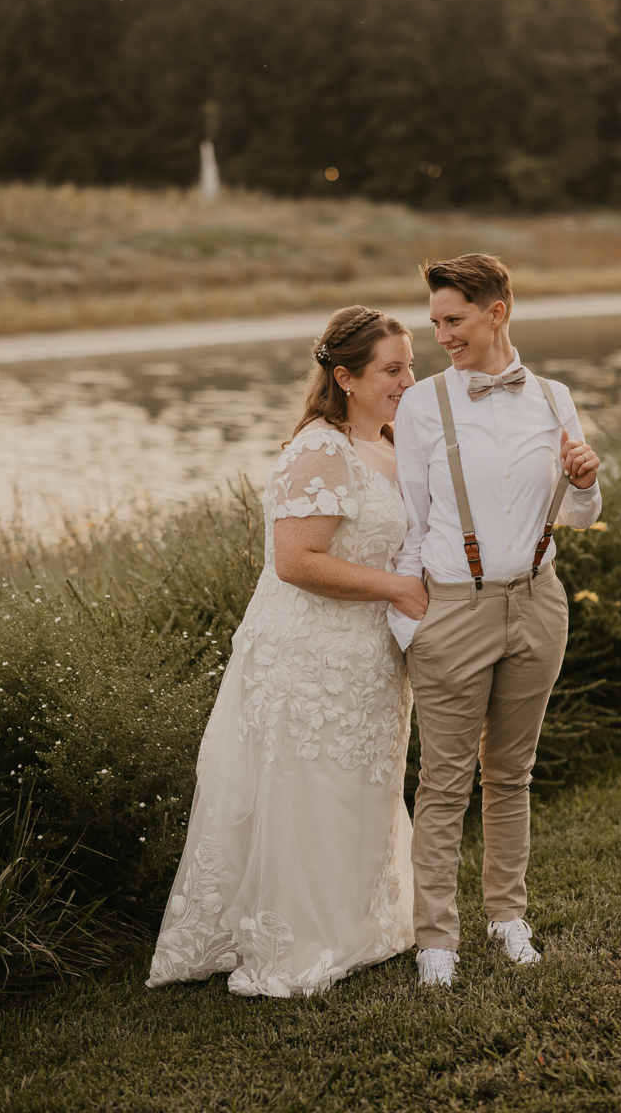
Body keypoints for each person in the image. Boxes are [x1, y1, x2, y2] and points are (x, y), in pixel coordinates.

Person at [147, 306, 427, 998]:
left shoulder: (391, 441)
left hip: (368, 654)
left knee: (359, 786)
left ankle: (362, 927)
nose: (407, 380)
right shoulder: (320, 449)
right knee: (309, 791)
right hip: (310, 652)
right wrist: (398, 586)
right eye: (392, 369)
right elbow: (296, 560)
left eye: (408, 365)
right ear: (345, 376)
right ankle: (295, 942)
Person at [388, 254, 602, 988]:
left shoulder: (552, 396)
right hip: (453, 608)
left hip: (539, 602)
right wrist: (412, 617)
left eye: (453, 320)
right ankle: (435, 940)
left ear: (496, 313)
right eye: (435, 323)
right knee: (443, 784)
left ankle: (508, 918)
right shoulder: (421, 406)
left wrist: (586, 479)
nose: (441, 335)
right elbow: (411, 524)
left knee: (511, 774)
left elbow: (578, 514)